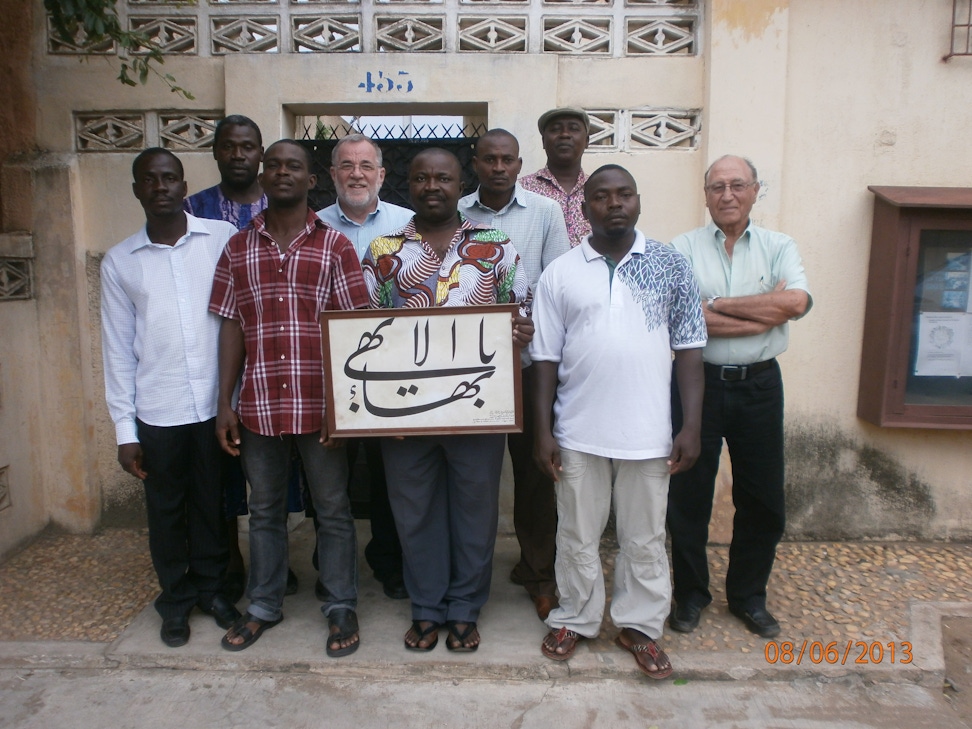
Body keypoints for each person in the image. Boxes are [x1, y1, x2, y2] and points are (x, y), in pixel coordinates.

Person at [530, 164, 705, 679]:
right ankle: (575, 619)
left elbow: (691, 352)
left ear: (638, 202)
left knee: (644, 538)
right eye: (602, 197)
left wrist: (690, 425)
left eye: (624, 194)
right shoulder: (561, 272)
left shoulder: (671, 265)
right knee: (577, 535)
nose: (614, 204)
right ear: (584, 210)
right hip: (578, 431)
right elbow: (543, 359)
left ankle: (640, 627)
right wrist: (543, 432)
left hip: (649, 434)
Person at [362, 148, 531, 653]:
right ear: (408, 186)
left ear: (462, 186)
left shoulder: (496, 245)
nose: (432, 186)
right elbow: (364, 330)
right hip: (404, 411)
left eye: (443, 177)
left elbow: (520, 313)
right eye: (421, 178)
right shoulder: (383, 250)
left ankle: (464, 607)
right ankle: (426, 607)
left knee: (475, 511)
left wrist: (521, 329)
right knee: (413, 512)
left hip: (477, 408)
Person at [210, 140, 370, 656]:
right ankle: (263, 605)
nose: (282, 173)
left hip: (320, 404)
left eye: (293, 167)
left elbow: (355, 330)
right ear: (262, 176)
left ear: (310, 181)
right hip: (258, 404)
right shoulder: (238, 248)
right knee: (264, 511)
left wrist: (343, 406)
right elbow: (231, 325)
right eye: (273, 165)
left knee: (333, 509)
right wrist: (225, 401)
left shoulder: (336, 247)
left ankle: (341, 604)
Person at [101, 148, 242, 647]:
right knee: (165, 510)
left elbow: (236, 320)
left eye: (170, 178)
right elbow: (117, 349)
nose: (161, 187)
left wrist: (233, 400)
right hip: (157, 408)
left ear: (185, 186)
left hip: (212, 405)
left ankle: (212, 590)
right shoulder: (121, 261)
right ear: (137, 190)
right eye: (150, 180)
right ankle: (176, 600)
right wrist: (125, 430)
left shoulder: (220, 239)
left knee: (212, 505)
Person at [667, 155, 812, 639]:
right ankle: (690, 595)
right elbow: (683, 317)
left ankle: (749, 597)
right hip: (697, 383)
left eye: (737, 185)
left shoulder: (779, 246)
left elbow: (796, 303)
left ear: (754, 191)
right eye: (717, 187)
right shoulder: (681, 249)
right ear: (705, 194)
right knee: (688, 496)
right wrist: (763, 311)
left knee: (763, 497)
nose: (727, 195)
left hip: (760, 384)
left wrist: (719, 306)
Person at [183, 114, 300, 601]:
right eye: (229, 147)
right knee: (222, 477)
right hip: (214, 354)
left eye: (248, 147)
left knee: (275, 486)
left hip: (281, 369)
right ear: (216, 152)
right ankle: (231, 562)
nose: (238, 155)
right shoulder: (192, 210)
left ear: (261, 157)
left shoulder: (285, 207)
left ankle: (277, 567)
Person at [458, 128, 570, 620]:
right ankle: (468, 579)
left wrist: (527, 326)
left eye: (507, 160)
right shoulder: (456, 212)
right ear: (476, 163)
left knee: (534, 478)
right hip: (469, 373)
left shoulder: (545, 212)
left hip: (528, 367)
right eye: (489, 159)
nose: (499, 167)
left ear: (520, 163)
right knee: (473, 481)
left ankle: (538, 573)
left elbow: (559, 284)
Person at [315, 134, 413, 600]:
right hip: (328, 372)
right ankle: (328, 563)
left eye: (366, 165)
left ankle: (389, 560)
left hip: (391, 372)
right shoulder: (311, 226)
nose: (357, 173)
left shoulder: (407, 224)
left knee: (387, 471)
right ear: (333, 174)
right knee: (329, 473)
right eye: (347, 165)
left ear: (381, 174)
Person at [520, 107, 591, 248]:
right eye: (555, 129)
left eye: (574, 128)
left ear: (587, 141)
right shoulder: (521, 190)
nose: (564, 134)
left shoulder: (598, 190)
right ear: (543, 141)